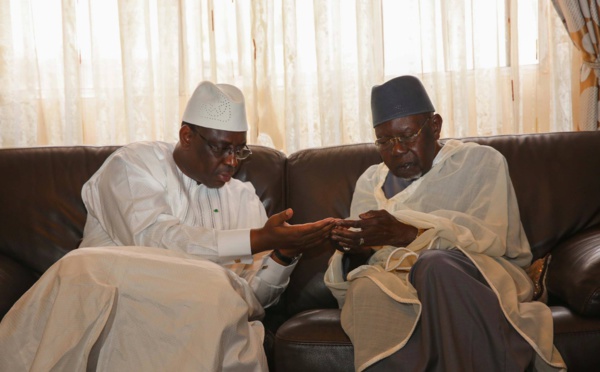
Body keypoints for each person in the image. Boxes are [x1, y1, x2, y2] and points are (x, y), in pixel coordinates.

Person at [0, 81, 335, 371]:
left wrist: (283, 255)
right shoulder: (134, 165)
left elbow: (250, 299)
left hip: (201, 313)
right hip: (118, 298)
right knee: (213, 286)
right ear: (186, 136)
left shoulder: (244, 198)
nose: (232, 162)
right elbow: (155, 241)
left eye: (239, 150)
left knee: (220, 293)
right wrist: (255, 239)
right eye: (221, 148)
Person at [324, 75, 566, 371]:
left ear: (435, 126)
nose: (397, 150)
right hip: (394, 279)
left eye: (407, 136)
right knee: (366, 288)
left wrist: (407, 234)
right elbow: (368, 261)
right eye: (384, 141)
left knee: (434, 265)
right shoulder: (369, 182)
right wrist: (353, 248)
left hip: (473, 272)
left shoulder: (480, 162)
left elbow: (492, 238)